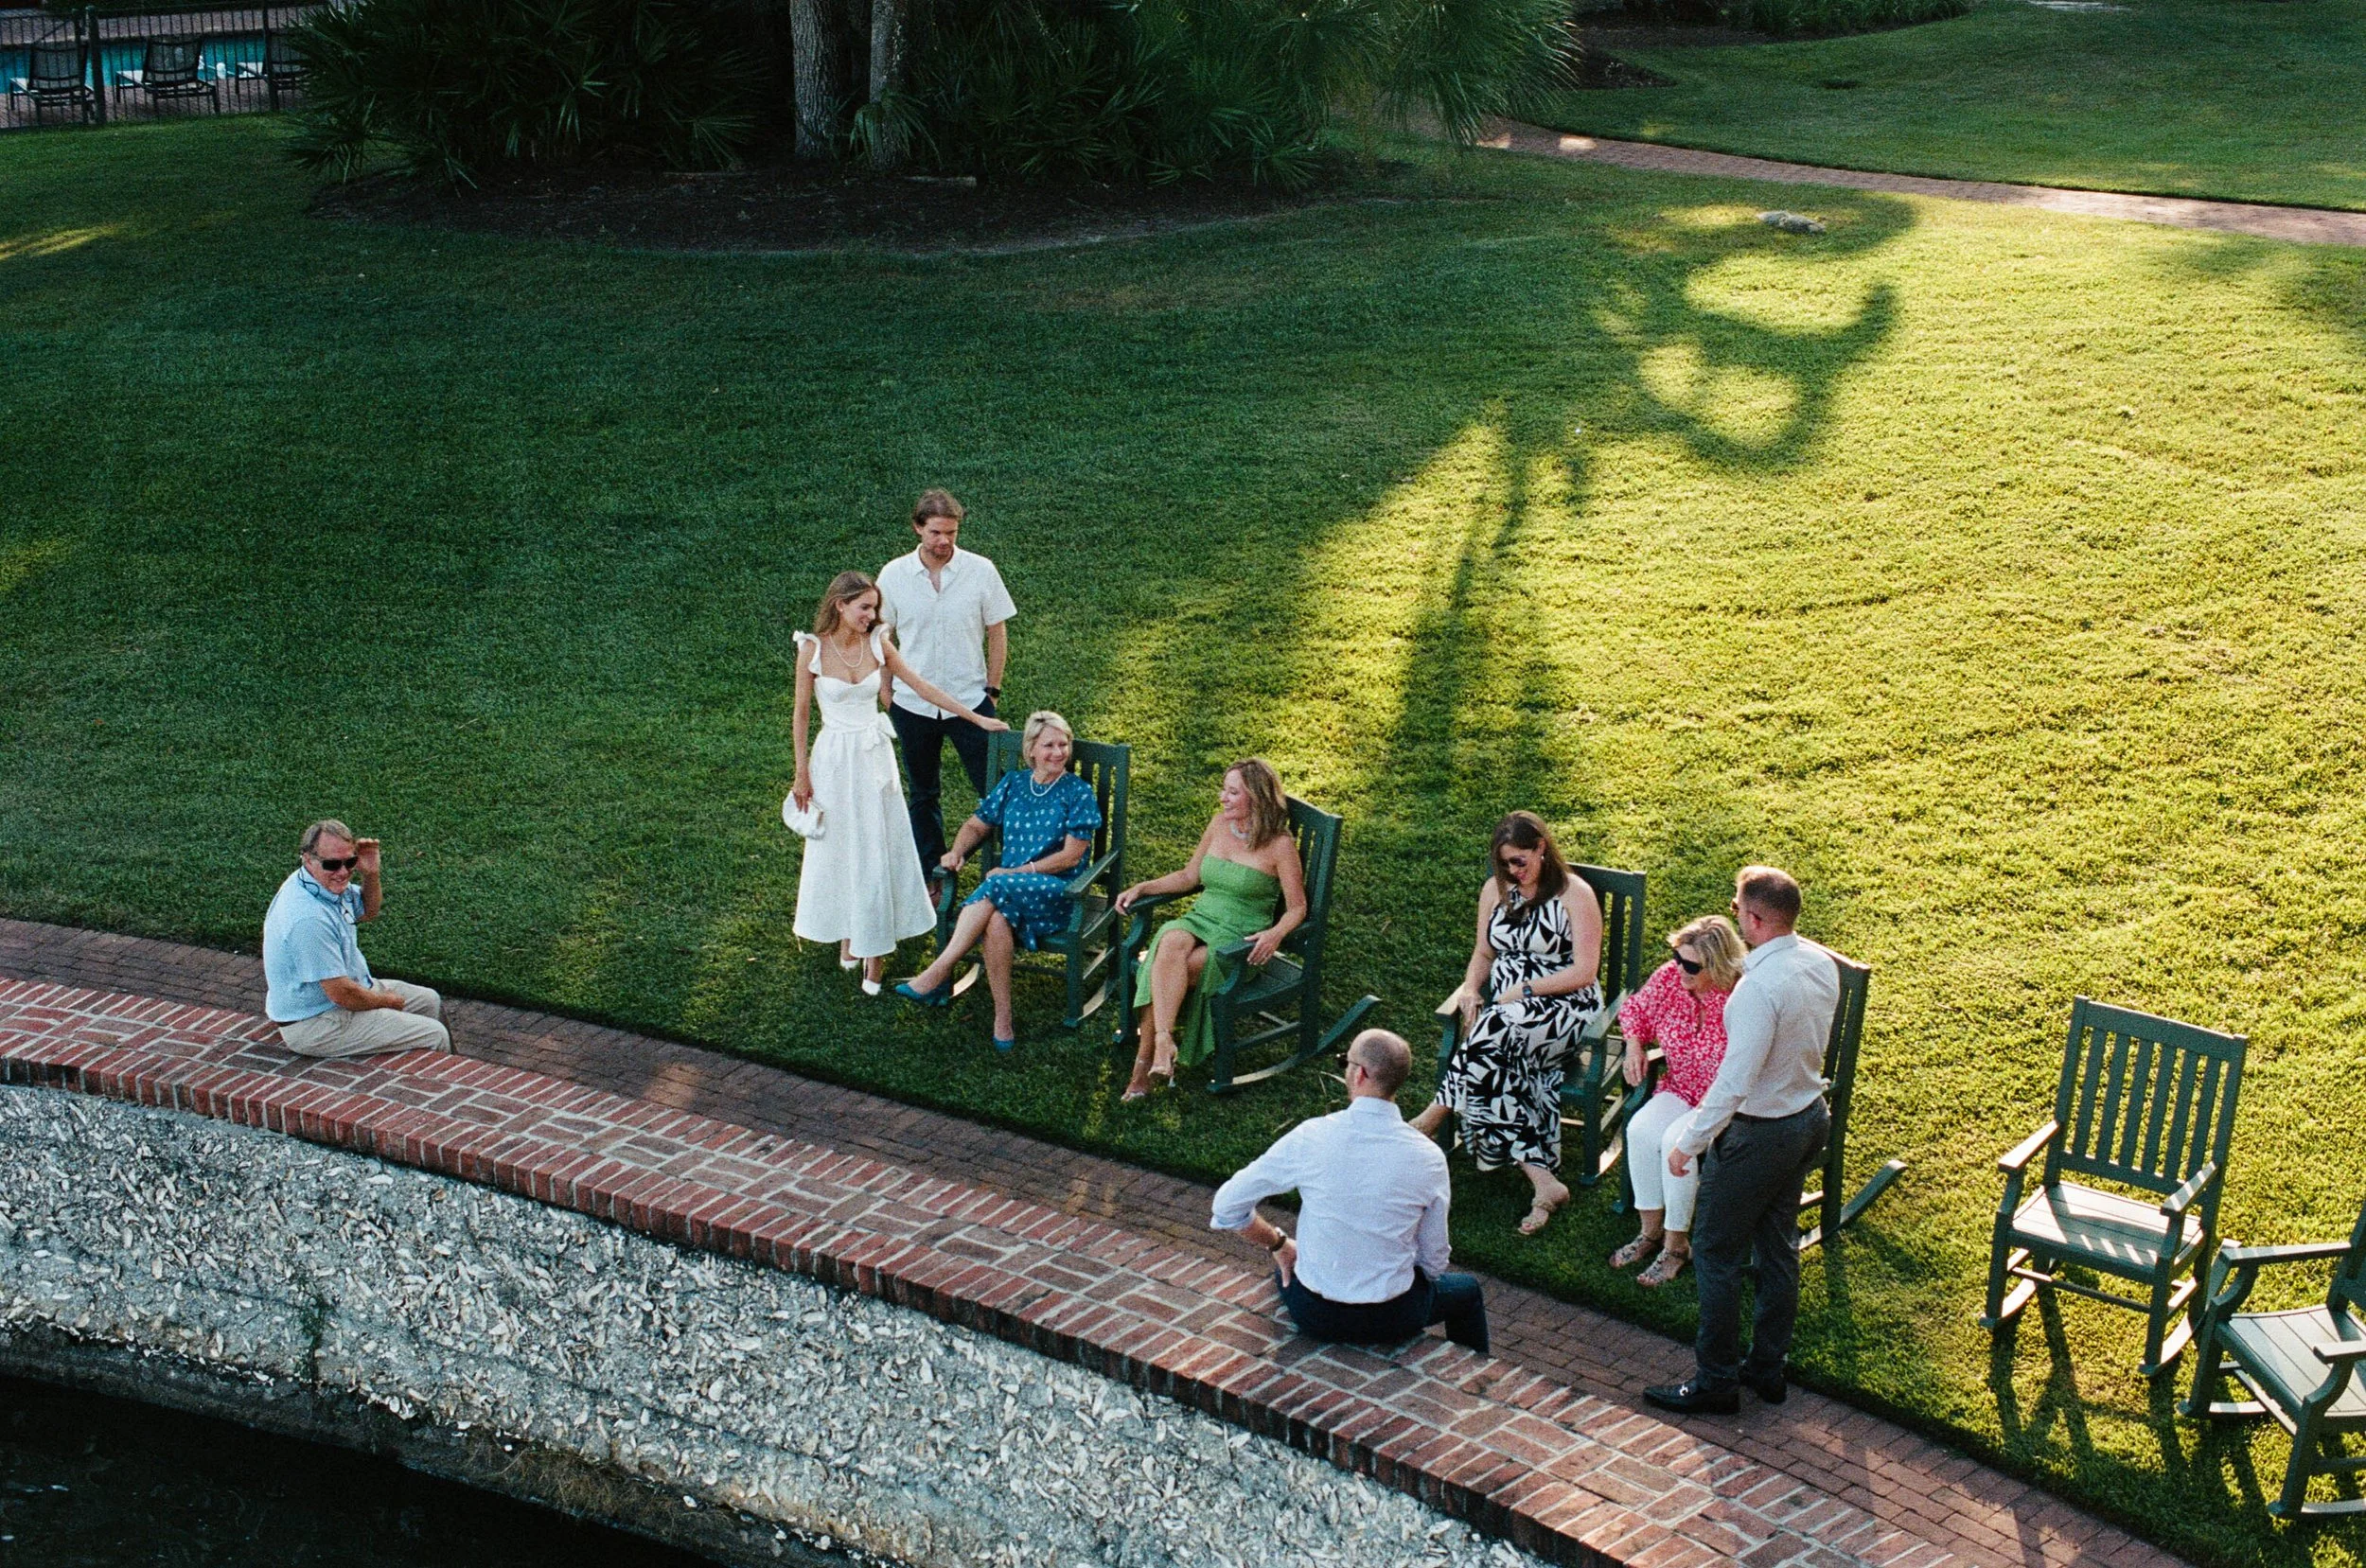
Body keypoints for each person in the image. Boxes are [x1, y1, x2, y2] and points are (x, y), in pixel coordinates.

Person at [1644, 865, 1839, 1415]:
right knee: (1778, 1248)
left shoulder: (1756, 991)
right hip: (1808, 1118)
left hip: (1762, 1134)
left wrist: (1689, 1144)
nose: (1733, 913)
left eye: (1737, 907)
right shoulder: (1820, 963)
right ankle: (1767, 1370)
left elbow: (1734, 1082)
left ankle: (1716, 1382)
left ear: (1754, 919)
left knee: (1714, 1249)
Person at [791, 571, 1008, 993]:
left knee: (875, 845)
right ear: (840, 605)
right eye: (865, 608)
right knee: (841, 846)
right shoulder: (812, 650)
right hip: (833, 760)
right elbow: (800, 715)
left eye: (875, 608)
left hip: (874, 759)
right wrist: (801, 772)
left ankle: (876, 954)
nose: (872, 616)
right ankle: (849, 934)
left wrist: (977, 717)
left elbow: (923, 688)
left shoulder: (878, 642)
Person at [1211, 1029, 1488, 1353]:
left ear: (1360, 1074)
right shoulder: (1428, 1157)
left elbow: (1227, 1207)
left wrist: (1280, 1244)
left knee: (1285, 1269)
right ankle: (1475, 1385)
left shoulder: (1312, 1136)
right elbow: (1434, 1261)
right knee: (1467, 1291)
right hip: (1396, 1315)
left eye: (1346, 1061)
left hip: (1315, 1314)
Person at [1409, 812, 1604, 1237]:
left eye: (1519, 862)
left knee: (1490, 1037)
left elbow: (1585, 972)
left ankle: (1435, 1113)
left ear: (1541, 848)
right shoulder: (1496, 892)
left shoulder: (1576, 894)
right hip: (1505, 1013)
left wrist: (1527, 990)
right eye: (1504, 865)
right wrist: (1469, 989)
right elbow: (1484, 953)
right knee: (1495, 1054)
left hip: (1566, 1008)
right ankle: (1544, 1181)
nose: (1512, 872)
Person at [894, 711, 1102, 1050]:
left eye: (1064, 744)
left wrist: (1017, 873)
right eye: (1049, 744)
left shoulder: (1077, 792)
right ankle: (1002, 1018)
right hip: (1009, 894)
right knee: (994, 920)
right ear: (1031, 749)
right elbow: (978, 825)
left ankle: (939, 969)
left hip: (1059, 892)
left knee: (994, 885)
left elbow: (1071, 856)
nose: (1059, 752)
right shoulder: (1014, 784)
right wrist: (956, 851)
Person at [1113, 758, 1305, 1099]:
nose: (1223, 798)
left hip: (1238, 939)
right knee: (1170, 940)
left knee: (1171, 967)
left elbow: (1297, 908)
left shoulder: (1280, 846)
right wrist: (1144, 886)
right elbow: (1190, 877)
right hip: (1201, 918)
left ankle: (1141, 1069)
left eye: (1233, 792)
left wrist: (1275, 934)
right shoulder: (1219, 825)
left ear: (1257, 798)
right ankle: (1163, 1042)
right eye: (1225, 789)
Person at [876, 490, 1017, 870]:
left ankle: (1017, 866)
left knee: (998, 790)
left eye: (951, 533)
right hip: (912, 705)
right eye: (936, 532)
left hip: (971, 700)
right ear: (918, 528)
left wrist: (993, 688)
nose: (944, 541)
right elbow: (881, 636)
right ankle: (933, 875)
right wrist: (886, 691)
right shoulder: (893, 575)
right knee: (923, 794)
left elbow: (997, 631)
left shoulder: (981, 570)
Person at [1607, 914, 1747, 1288]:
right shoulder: (1671, 978)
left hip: (1723, 1101)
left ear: (1716, 965)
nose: (1679, 968)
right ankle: (1649, 1233)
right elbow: (1635, 1010)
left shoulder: (1741, 995)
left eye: (1691, 964)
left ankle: (1675, 1246)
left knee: (1675, 1141)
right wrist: (1635, 1045)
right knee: (1639, 1130)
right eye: (1677, 957)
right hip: (1680, 1085)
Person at [262, 819, 451, 1059]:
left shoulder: (323, 885)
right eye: (332, 864)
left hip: (346, 996)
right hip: (316, 1022)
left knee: (429, 1001)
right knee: (434, 1035)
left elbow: (367, 911)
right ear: (307, 859)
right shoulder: (308, 920)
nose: (342, 872)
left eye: (349, 862)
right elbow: (342, 994)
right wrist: (386, 1002)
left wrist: (371, 874)